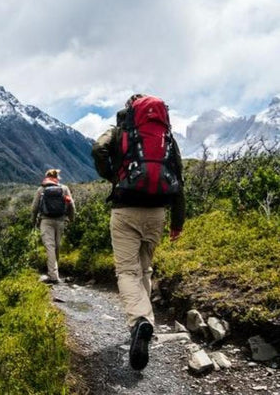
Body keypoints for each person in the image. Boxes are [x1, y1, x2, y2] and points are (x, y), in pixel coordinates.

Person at [91, 94, 185, 370]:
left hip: (126, 209)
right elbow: (178, 178)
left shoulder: (120, 131)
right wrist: (177, 222)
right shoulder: (165, 137)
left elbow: (98, 149)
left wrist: (113, 176)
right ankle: (143, 323)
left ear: (130, 110)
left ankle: (140, 321)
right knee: (144, 270)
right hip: (157, 212)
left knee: (127, 271)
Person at [31, 169, 75, 284]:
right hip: (60, 221)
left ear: (46, 177)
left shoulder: (41, 189)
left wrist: (33, 222)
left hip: (45, 221)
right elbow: (71, 205)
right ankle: (55, 272)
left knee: (50, 246)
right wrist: (71, 219)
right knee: (57, 246)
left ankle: (53, 276)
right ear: (57, 177)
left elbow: (34, 208)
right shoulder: (64, 188)